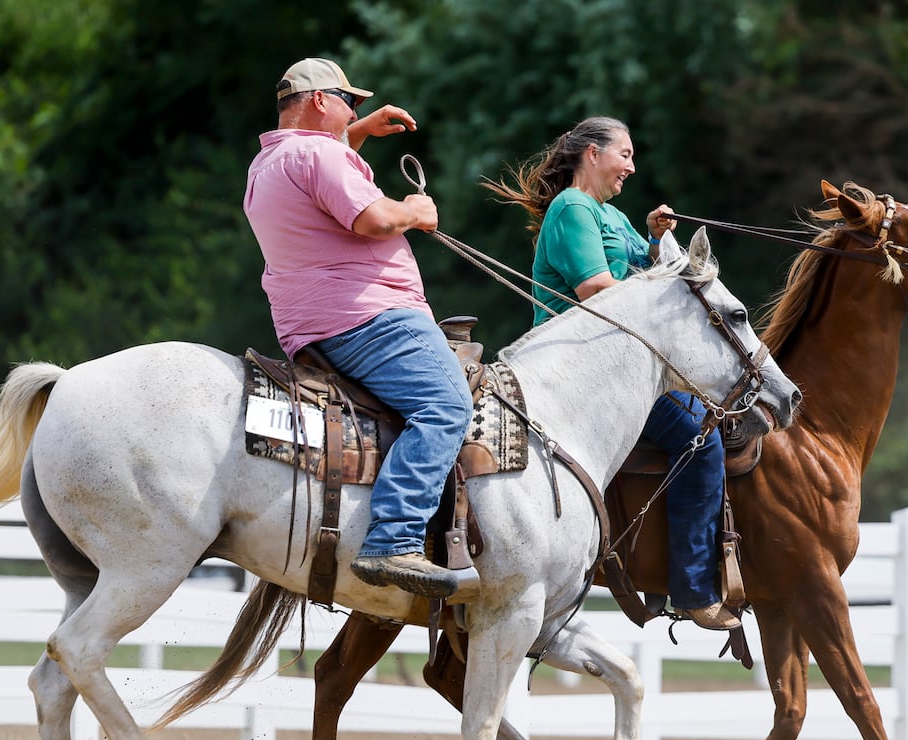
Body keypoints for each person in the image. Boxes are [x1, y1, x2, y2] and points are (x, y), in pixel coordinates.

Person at [483, 117, 739, 630]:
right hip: (582, 372)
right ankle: (693, 588)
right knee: (698, 437)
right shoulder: (572, 207)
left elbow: (643, 275)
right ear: (592, 155)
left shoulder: (612, 215)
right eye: (624, 154)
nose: (631, 166)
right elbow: (597, 291)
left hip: (618, 368)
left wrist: (652, 238)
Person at [243, 57, 472, 600]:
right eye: (350, 101)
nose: (356, 111)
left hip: (311, 325)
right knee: (447, 408)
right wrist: (415, 210)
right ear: (320, 100)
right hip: (369, 316)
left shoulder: (269, 162)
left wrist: (359, 133)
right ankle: (393, 541)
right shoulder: (320, 154)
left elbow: (323, 185)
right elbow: (373, 219)